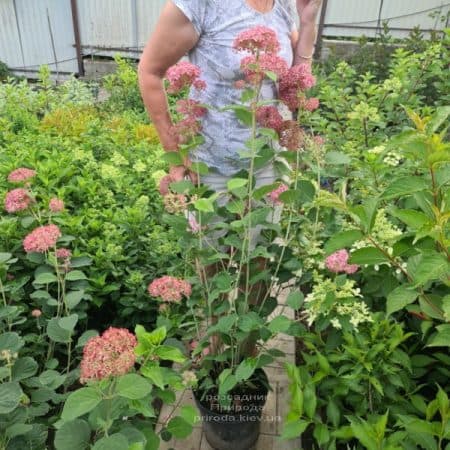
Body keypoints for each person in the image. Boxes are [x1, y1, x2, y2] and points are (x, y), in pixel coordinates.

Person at [138, 0, 322, 180]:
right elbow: (150, 72)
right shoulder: (199, 4)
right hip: (210, 171)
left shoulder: (281, 4)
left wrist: (307, 23)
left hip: (270, 163)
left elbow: (296, 82)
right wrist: (176, 158)